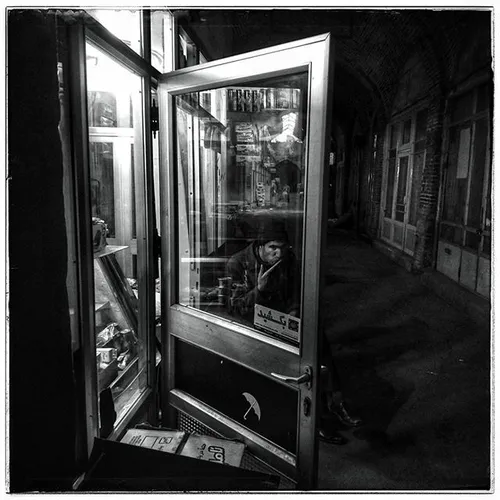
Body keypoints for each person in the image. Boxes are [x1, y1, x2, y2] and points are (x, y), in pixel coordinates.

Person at [227, 218, 362, 445]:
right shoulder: (238, 263)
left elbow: (295, 294)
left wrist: (294, 313)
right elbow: (236, 308)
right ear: (259, 246)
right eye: (272, 248)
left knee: (316, 338)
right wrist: (259, 290)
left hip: (280, 320)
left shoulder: (288, 261)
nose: (278, 254)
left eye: (282, 248)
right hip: (253, 327)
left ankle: (334, 401)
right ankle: (315, 420)